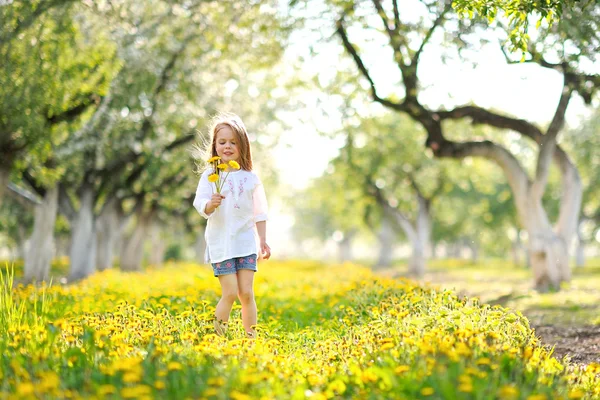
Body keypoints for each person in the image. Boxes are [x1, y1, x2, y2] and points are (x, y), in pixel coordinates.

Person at [192, 112, 271, 339]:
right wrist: (210, 204)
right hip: (222, 244)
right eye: (222, 142)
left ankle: (251, 338)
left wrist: (263, 240)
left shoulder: (251, 178)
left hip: (246, 242)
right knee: (230, 293)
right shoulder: (210, 175)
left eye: (233, 142)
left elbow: (260, 212)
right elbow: (199, 203)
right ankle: (217, 337)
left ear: (243, 146)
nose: (228, 146)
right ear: (215, 145)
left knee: (246, 292)